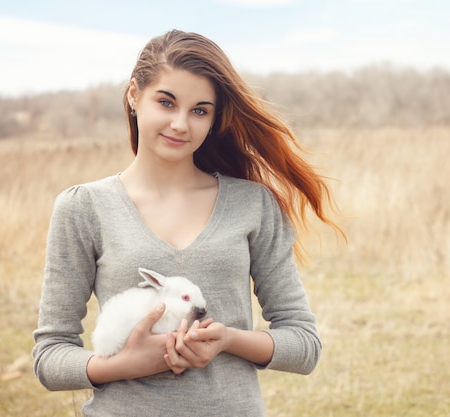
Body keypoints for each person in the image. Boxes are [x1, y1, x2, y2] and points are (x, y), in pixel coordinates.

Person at [32, 29, 343, 416]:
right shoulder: (83, 208)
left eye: (199, 110)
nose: (181, 124)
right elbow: (50, 356)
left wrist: (227, 338)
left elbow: (304, 346)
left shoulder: (252, 204)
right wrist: (124, 364)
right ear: (134, 96)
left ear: (213, 119)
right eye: (166, 102)